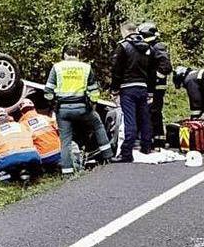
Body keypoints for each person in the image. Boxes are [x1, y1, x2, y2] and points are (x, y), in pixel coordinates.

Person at [44, 45, 112, 175]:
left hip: (63, 109)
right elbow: (94, 91)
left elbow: (48, 92)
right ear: (78, 55)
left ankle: (67, 171)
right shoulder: (86, 68)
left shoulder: (57, 68)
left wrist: (53, 103)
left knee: (65, 141)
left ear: (64, 55)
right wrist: (92, 104)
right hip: (82, 108)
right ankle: (108, 156)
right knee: (97, 125)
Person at [110, 21, 156, 162]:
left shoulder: (123, 47)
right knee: (145, 118)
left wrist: (115, 90)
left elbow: (117, 71)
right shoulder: (148, 48)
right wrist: (151, 92)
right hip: (143, 87)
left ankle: (126, 153)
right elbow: (152, 72)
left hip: (127, 88)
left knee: (130, 120)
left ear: (124, 31)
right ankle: (146, 147)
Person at [0, 108, 42, 180]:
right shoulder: (21, 125)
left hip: (10, 159)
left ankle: (3, 173)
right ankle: (25, 171)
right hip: (32, 155)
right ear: (8, 117)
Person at [138, 21, 172, 148]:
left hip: (156, 86)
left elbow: (166, 67)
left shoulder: (157, 47)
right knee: (154, 111)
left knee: (153, 111)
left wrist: (154, 77)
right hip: (154, 86)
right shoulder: (153, 46)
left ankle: (157, 140)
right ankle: (157, 139)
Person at [17, 99, 62, 170]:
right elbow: (60, 132)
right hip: (59, 152)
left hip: (43, 158)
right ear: (34, 108)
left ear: (22, 113)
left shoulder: (21, 126)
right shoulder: (46, 118)